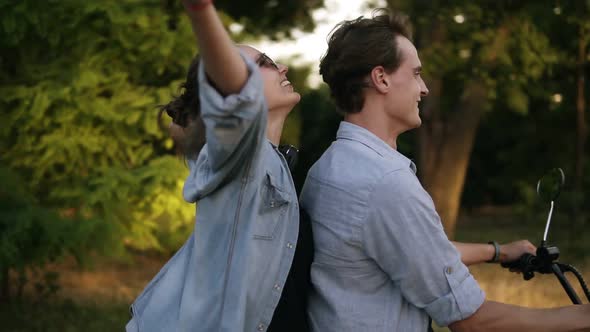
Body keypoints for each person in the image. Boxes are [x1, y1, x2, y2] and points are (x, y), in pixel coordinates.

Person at [299, 8, 590, 332]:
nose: (423, 88)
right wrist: (581, 317)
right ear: (381, 78)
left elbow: (412, 250)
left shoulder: (327, 166)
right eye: (416, 74)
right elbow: (472, 320)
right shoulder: (386, 184)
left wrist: (497, 252)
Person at [126, 1, 313, 331]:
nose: (283, 66)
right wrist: (201, 9)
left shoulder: (271, 159)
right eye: (264, 64)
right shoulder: (239, 154)